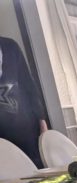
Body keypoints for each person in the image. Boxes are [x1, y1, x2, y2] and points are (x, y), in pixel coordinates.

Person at [0, 36, 46, 167]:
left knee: (36, 168)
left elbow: (28, 84)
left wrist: (41, 119)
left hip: (25, 127)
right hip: (2, 135)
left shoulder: (10, 46)